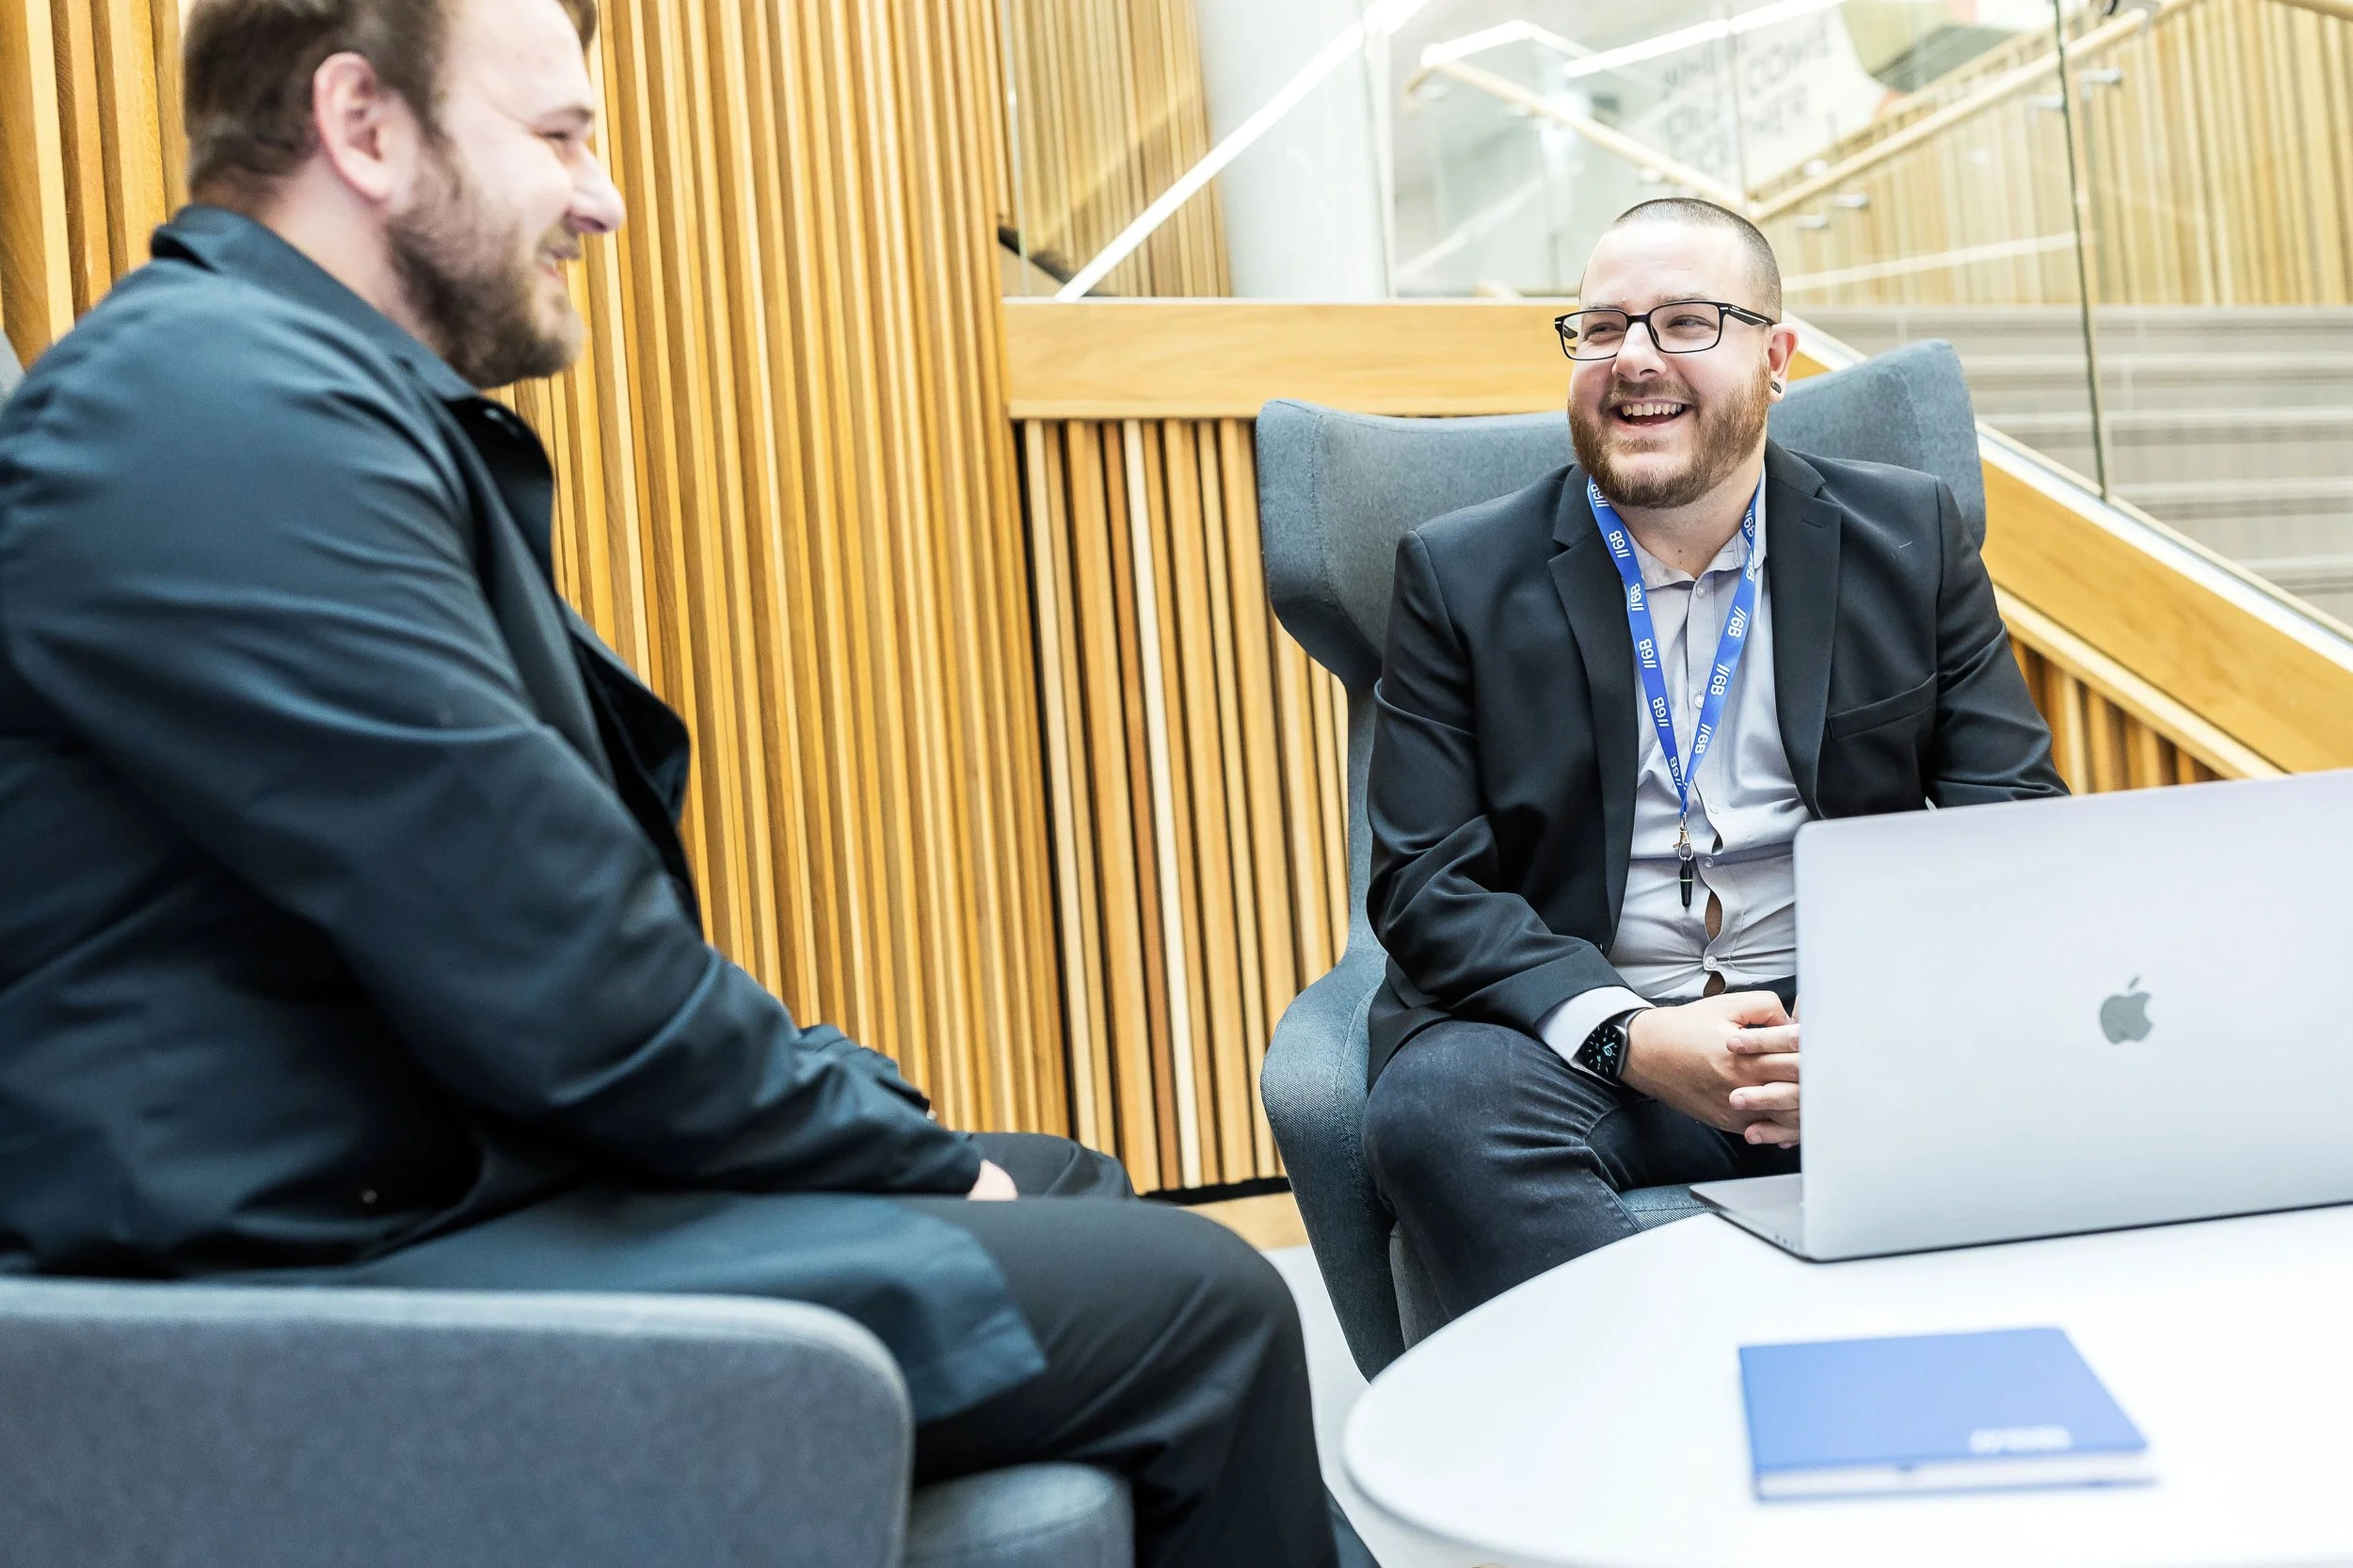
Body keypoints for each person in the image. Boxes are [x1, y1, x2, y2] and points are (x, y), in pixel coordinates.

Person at [0, 2, 1354, 1563]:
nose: (606, 196)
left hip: (425, 1191)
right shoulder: (201, 412)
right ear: (362, 125)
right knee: (1210, 1301)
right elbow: (566, 971)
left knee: (1071, 1189)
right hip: (292, 1292)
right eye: (561, 136)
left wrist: (880, 1123)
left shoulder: (282, 395)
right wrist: (910, 1158)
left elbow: (548, 939)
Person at [1359, 199, 2065, 1322]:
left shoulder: (1907, 537)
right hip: (1600, 1026)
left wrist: (1861, 1030)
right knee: (1438, 1106)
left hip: (1845, 1015)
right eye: (1600, 328)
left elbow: (2009, 819)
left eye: (1685, 321)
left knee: (2094, 1046)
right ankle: (1667, 1415)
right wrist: (1630, 1034)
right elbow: (1423, 882)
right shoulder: (1458, 575)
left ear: (1775, 358)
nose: (1633, 358)